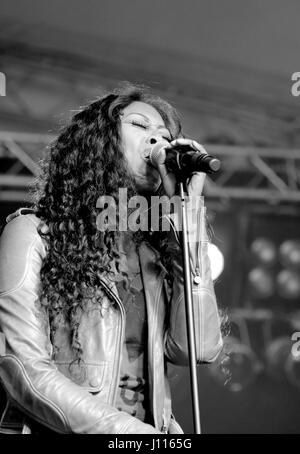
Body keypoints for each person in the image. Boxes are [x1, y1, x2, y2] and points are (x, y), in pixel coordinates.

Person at [0, 83, 223, 434]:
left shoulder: (156, 252)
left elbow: (198, 348)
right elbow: (22, 370)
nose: (157, 140)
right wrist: (130, 433)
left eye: (164, 134)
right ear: (101, 142)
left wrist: (189, 212)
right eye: (140, 125)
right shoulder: (33, 235)